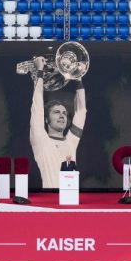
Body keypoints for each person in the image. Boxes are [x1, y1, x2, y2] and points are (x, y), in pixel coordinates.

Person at [29, 56, 87, 189]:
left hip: (72, 201)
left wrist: (78, 79)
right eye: (56, 112)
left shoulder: (71, 141)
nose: (62, 116)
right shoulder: (40, 140)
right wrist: (40, 70)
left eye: (64, 113)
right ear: (46, 119)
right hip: (50, 202)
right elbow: (37, 105)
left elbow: (81, 112)